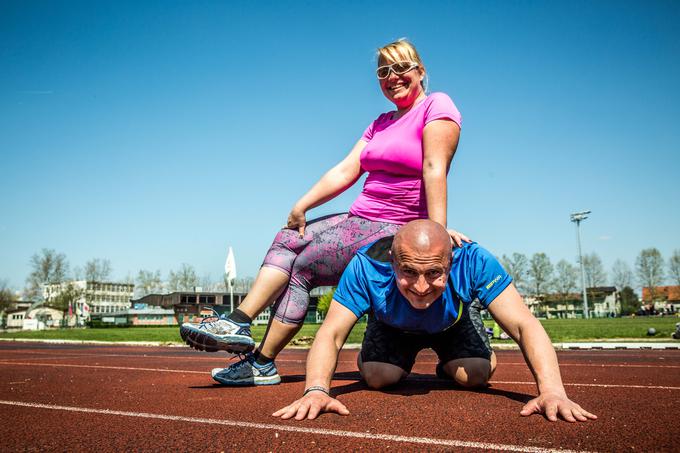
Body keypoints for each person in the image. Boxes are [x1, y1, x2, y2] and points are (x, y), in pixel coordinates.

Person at [180, 38, 467, 386]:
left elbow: (435, 167)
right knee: (288, 237)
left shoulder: (437, 105)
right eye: (383, 71)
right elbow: (347, 169)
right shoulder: (380, 122)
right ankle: (238, 322)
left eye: (401, 68)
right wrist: (302, 205)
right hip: (359, 216)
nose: (392, 77)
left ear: (420, 71)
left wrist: (437, 233)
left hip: (393, 225)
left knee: (302, 269)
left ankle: (262, 362)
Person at [273, 220, 597, 423]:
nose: (421, 287)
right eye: (409, 272)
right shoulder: (365, 266)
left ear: (450, 262)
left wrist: (552, 391)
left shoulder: (474, 258)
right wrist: (315, 390)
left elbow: (525, 324)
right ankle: (387, 345)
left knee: (476, 375)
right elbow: (330, 333)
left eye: (434, 273)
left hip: (449, 324)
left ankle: (452, 351)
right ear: (392, 262)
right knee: (377, 377)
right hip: (392, 324)